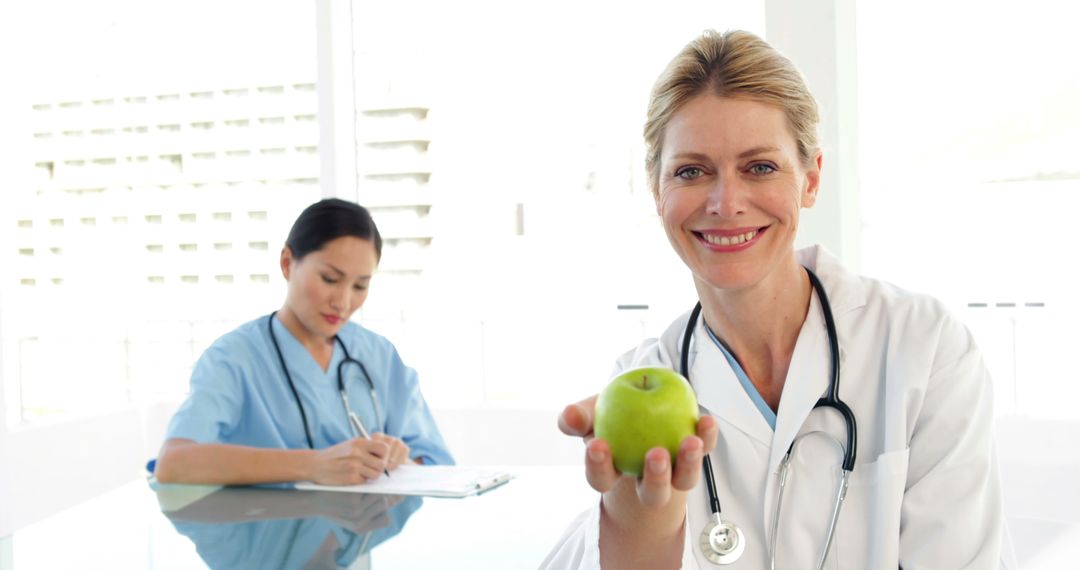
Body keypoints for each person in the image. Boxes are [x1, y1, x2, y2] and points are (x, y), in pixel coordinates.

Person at [542, 30, 1010, 569]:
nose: (726, 202)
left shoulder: (922, 347)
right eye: (691, 171)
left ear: (811, 179)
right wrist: (636, 529)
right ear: (657, 192)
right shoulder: (647, 373)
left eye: (759, 167)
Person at [153, 198, 453, 485]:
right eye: (329, 279)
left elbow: (440, 468)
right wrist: (314, 465)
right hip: (266, 534)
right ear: (287, 263)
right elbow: (174, 463)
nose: (343, 302)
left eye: (360, 285)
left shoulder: (379, 356)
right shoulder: (234, 358)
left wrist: (398, 461)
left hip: (367, 534)